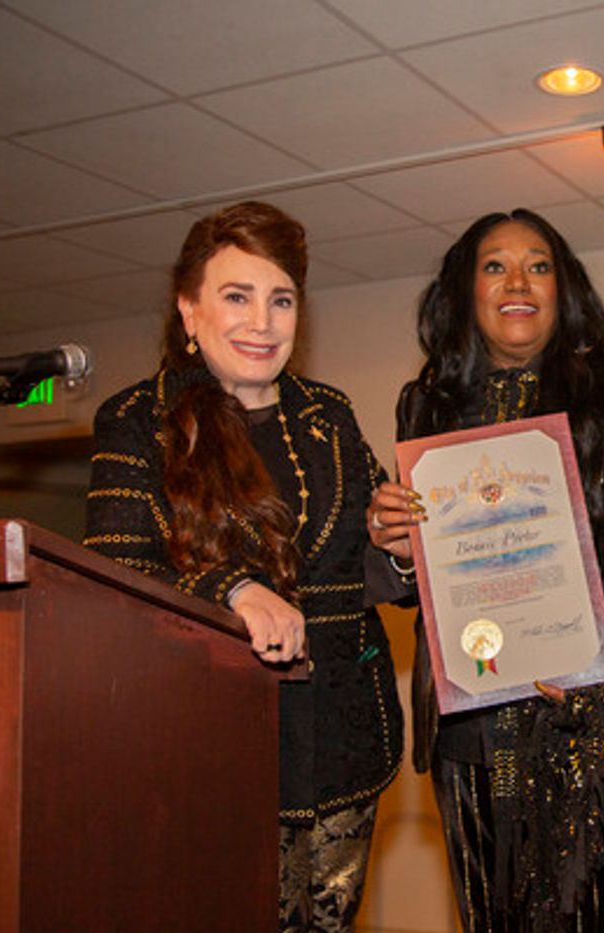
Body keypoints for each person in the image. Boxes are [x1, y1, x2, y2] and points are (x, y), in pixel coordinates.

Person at [83, 201, 404, 931]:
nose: (262, 321)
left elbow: (366, 566)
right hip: (209, 753)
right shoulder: (134, 421)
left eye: (281, 298)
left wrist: (403, 553)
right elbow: (112, 579)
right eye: (237, 296)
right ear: (188, 310)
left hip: (342, 748)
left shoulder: (331, 413)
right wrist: (231, 587)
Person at [366, 209, 604, 932]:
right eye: (495, 265)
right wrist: (397, 547)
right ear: (466, 289)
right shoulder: (425, 403)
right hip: (474, 720)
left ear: (565, 289)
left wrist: (587, 655)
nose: (518, 282)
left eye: (539, 265)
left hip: (589, 714)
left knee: (588, 914)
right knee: (487, 915)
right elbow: (412, 583)